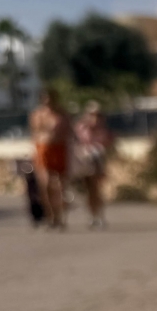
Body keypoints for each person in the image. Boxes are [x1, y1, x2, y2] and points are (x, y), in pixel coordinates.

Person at [29, 88, 71, 230]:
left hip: (59, 149)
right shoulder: (37, 114)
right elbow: (34, 133)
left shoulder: (62, 114)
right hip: (42, 149)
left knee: (60, 185)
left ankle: (61, 216)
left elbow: (68, 132)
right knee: (45, 184)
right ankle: (50, 216)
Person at [73, 101, 114, 230]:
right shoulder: (81, 127)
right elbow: (77, 142)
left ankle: (99, 216)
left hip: (98, 160)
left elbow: (108, 143)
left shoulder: (103, 129)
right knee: (89, 190)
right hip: (85, 160)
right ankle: (92, 215)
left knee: (97, 189)